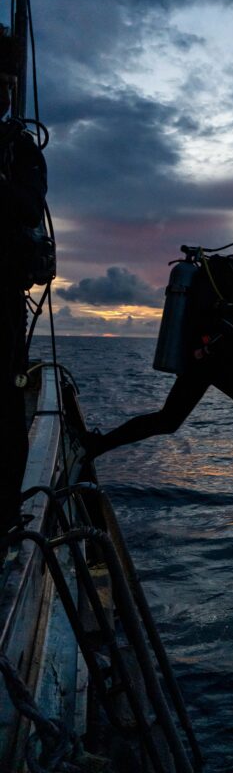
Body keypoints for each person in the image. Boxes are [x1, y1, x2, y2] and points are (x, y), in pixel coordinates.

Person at [84, 233, 233, 498]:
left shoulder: (213, 268)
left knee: (168, 420)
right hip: (222, 358)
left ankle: (97, 445)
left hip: (198, 356)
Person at [0, 28, 48, 532]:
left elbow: (31, 206)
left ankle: (5, 511)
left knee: (7, 399)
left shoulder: (22, 151)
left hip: (2, 294)